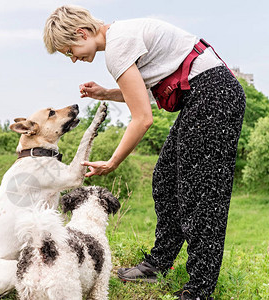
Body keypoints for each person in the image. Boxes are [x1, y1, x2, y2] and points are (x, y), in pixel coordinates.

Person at [43, 5, 245, 300]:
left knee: (200, 194)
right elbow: (146, 87)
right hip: (207, 95)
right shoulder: (121, 36)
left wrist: (113, 161)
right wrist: (106, 93)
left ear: (81, 32)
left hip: (213, 96)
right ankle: (160, 262)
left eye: (70, 50)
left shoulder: (117, 46)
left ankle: (200, 289)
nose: (73, 58)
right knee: (165, 180)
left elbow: (143, 117)